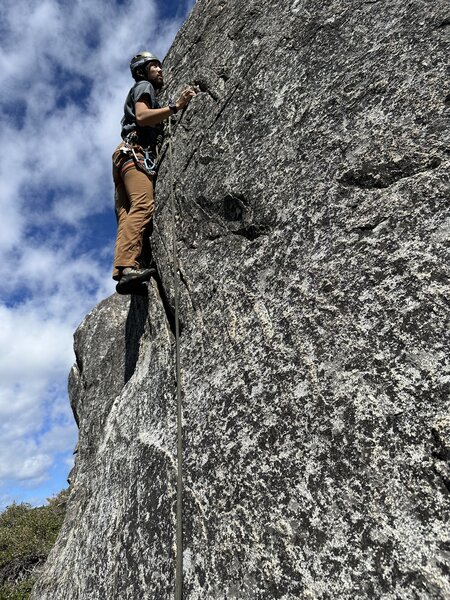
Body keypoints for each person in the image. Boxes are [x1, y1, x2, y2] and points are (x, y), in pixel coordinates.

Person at [112, 51, 196, 294]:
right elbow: (141, 116)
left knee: (127, 213)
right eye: (154, 66)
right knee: (143, 205)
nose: (160, 70)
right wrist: (175, 107)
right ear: (142, 72)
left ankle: (124, 270)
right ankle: (128, 267)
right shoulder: (144, 86)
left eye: (160, 66)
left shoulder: (143, 86)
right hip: (134, 153)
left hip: (123, 157)